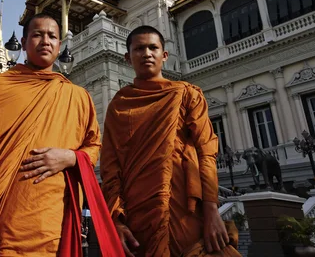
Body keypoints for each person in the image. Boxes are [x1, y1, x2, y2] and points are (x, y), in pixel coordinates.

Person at [0, 13, 102, 257]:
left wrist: (70, 157)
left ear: (60, 45)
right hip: (10, 216)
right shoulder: (2, 86)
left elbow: (93, 146)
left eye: (52, 36)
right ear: (24, 41)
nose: (45, 41)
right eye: (37, 35)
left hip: (57, 218)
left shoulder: (78, 96)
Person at [100, 26, 240, 257]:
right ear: (128, 57)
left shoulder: (186, 94)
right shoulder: (120, 104)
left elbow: (206, 152)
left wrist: (212, 209)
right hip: (139, 212)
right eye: (139, 49)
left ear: (164, 55)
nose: (147, 54)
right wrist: (116, 218)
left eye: (153, 48)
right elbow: (110, 165)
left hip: (184, 206)